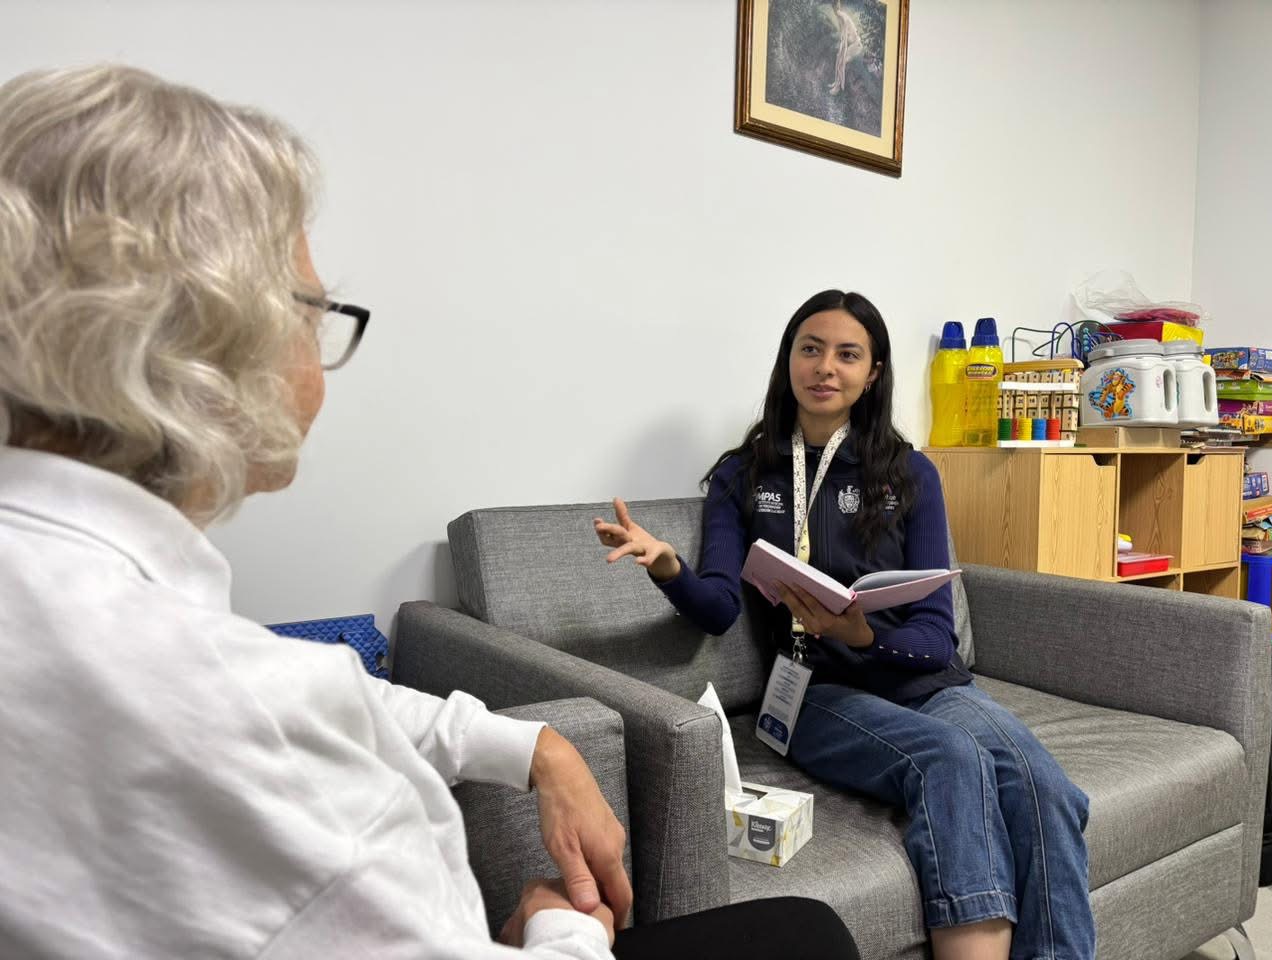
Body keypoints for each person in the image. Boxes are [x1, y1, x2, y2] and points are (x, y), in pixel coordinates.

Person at [0, 65, 859, 960]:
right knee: (808, 937)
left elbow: (331, 699)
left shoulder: (100, 615)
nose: (322, 353)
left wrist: (537, 747)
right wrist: (555, 921)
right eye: (315, 312)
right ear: (206, 337)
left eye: (846, 355)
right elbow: (283, 710)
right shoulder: (253, 725)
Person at [594, 290, 1096, 960]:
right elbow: (716, 608)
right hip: (816, 693)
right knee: (951, 757)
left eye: (847, 354)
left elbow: (935, 639)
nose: (825, 367)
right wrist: (667, 568)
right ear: (789, 360)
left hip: (927, 684)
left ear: (873, 372)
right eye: (811, 349)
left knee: (1045, 788)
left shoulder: (911, 473)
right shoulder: (743, 475)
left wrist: (865, 635)